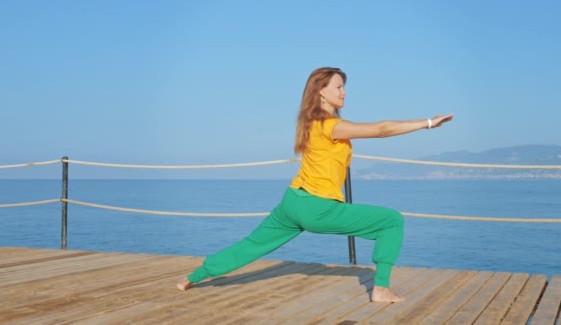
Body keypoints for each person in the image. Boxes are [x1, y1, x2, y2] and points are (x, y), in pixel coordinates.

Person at [177, 67, 453, 303]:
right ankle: (381, 288)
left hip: (293, 201)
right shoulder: (331, 125)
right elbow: (381, 129)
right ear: (322, 91)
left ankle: (193, 277)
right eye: (339, 87)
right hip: (318, 208)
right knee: (391, 221)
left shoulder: (309, 123)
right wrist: (428, 122)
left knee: (252, 244)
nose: (344, 92)